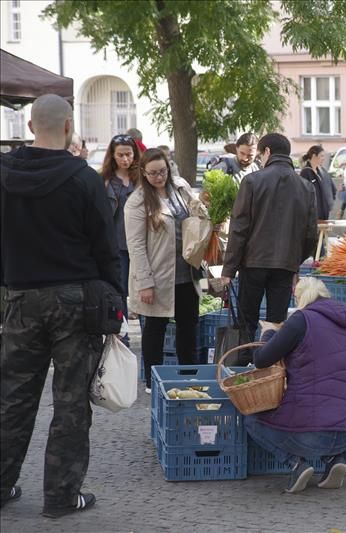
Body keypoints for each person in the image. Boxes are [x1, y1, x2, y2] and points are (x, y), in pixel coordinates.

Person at [1, 94, 121, 518]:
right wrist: (115, 296)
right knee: (70, 402)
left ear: (31, 126)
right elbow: (106, 246)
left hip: (20, 297)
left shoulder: (4, 175)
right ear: (69, 127)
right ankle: (61, 496)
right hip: (75, 300)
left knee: (13, 397)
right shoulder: (83, 179)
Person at [245, 277, 346, 494]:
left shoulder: (301, 320)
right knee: (325, 405)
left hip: (313, 436)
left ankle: (296, 464)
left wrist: (268, 332)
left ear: (299, 299)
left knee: (251, 419)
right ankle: (334, 459)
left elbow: (261, 359)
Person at [221, 133, 317, 347]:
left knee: (246, 321)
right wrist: (295, 261)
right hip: (285, 265)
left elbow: (239, 229)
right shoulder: (305, 187)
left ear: (267, 152)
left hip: (253, 262)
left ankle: (243, 364)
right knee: (276, 324)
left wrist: (229, 269)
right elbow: (311, 233)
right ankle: (272, 365)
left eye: (260, 155)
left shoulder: (252, 181)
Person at [125, 148, 204, 392]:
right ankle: (152, 381)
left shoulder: (180, 187)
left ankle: (189, 377)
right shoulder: (137, 201)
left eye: (162, 171)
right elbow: (136, 245)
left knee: (188, 327)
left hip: (187, 272)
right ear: (143, 173)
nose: (159, 177)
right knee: (155, 329)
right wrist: (144, 282)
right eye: (153, 173)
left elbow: (197, 216)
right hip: (157, 275)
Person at [100, 133, 140, 339]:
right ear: (113, 156)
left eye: (129, 154)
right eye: (121, 155)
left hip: (140, 243)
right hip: (117, 244)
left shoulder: (141, 178)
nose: (125, 159)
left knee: (143, 291)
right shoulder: (105, 180)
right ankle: (122, 337)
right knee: (120, 291)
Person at [300, 145, 337, 221]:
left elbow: (332, 188)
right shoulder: (305, 172)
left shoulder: (322, 171)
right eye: (321, 156)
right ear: (314, 156)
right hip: (313, 214)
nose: (323, 158)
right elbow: (303, 194)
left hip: (324, 212)